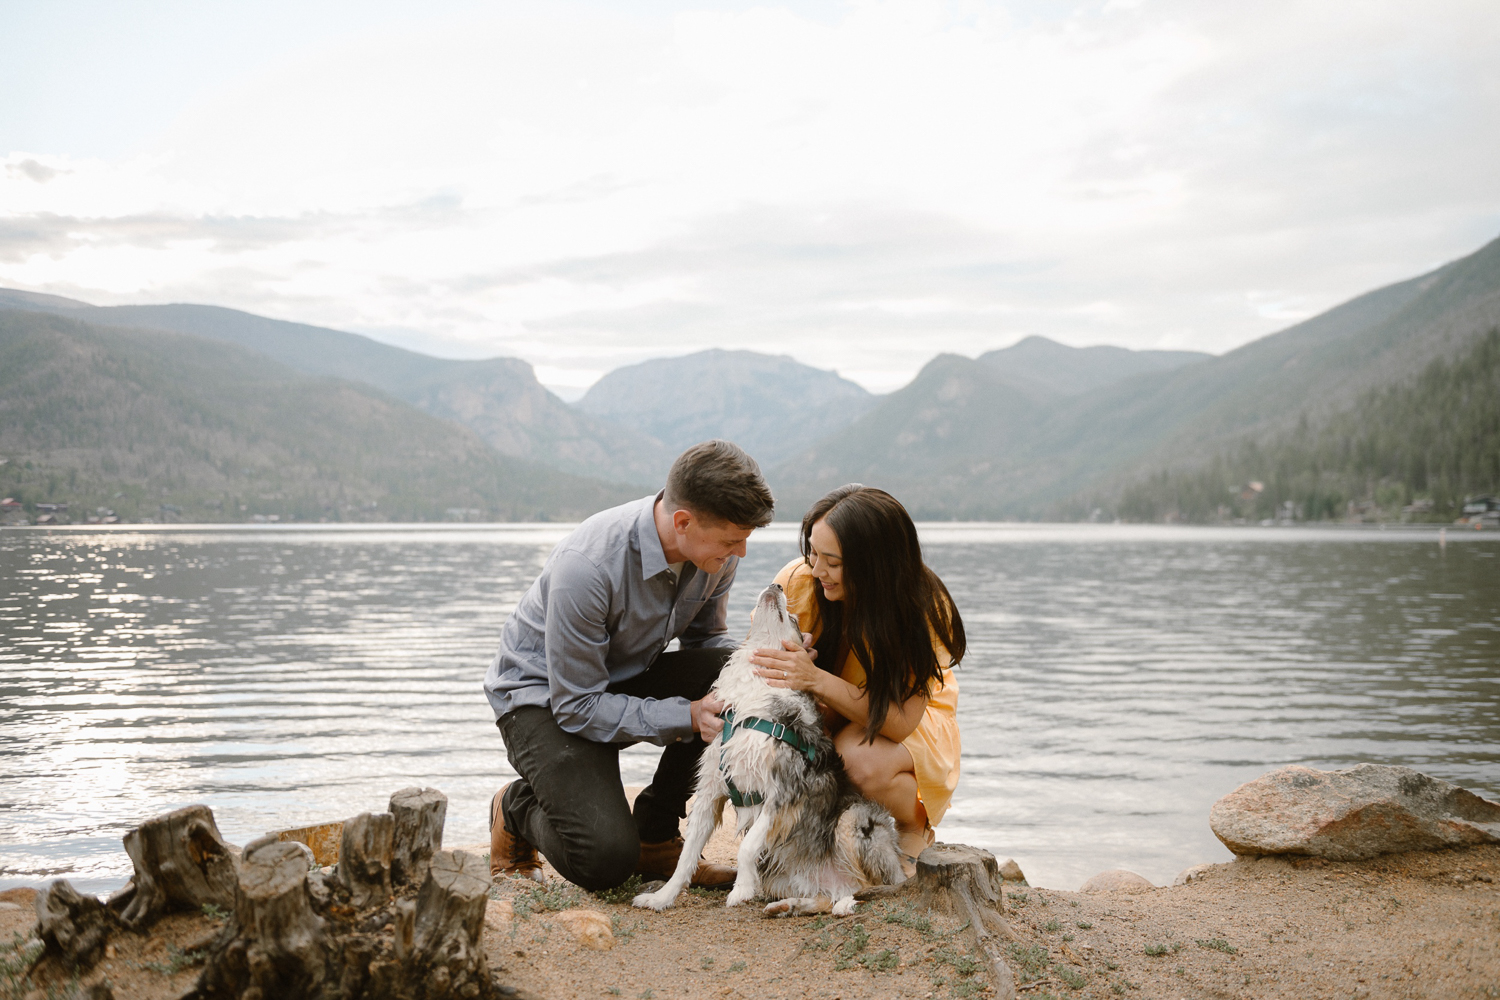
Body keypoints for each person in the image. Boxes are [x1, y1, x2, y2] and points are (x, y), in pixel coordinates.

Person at [484, 440, 776, 890]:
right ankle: (516, 806)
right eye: (731, 541)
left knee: (732, 672)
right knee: (604, 861)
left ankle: (656, 836)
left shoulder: (711, 554)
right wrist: (687, 715)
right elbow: (576, 705)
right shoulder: (588, 567)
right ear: (683, 521)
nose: (738, 553)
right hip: (543, 701)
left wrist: (767, 661)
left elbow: (707, 645)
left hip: (618, 681)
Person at [751, 484, 964, 872]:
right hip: (833, 707)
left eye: (831, 561)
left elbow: (898, 722)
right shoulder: (799, 582)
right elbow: (759, 672)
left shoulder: (922, 608)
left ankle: (911, 824)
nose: (816, 570)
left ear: (875, 565)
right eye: (813, 553)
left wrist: (814, 678)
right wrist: (792, 675)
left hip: (908, 719)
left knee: (856, 760)